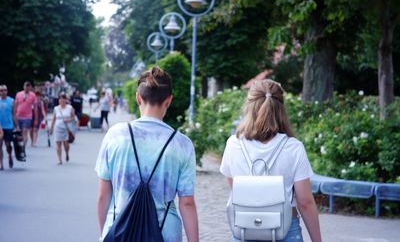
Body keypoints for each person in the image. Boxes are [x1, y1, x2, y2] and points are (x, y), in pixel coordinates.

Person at [95, 67, 199, 242]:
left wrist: (104, 234)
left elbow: (103, 196)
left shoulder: (116, 135)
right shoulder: (182, 144)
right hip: (165, 233)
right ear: (169, 101)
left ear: (138, 98)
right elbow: (186, 202)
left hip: (119, 229)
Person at [220, 79, 322, 242]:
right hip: (286, 229)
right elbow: (305, 202)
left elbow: (235, 186)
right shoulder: (293, 147)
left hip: (246, 229)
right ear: (281, 108)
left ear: (249, 106)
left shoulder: (233, 144)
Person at [49, 93, 75, 165]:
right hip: (57, 127)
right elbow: (54, 118)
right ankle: (59, 159)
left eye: (63, 99)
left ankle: (67, 153)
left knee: (66, 144)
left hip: (66, 128)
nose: (61, 100)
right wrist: (51, 128)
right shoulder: (56, 108)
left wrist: (68, 120)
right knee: (58, 143)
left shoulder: (70, 108)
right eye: (60, 99)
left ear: (65, 100)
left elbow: (73, 117)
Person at [14, 81, 38, 149]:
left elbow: (35, 107)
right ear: (23, 86)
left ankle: (23, 147)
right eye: (26, 86)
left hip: (28, 116)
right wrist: (14, 114)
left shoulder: (33, 95)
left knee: (25, 131)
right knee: (19, 133)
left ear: (30, 87)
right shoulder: (19, 94)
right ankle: (20, 145)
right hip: (18, 116)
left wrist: (36, 119)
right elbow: (15, 105)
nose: (27, 88)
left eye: (28, 86)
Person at [0, 85, 18, 170]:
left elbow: (14, 114)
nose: (3, 92)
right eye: (1, 90)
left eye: (5, 90)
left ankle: (10, 155)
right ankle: (1, 164)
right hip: (0, 127)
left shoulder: (11, 101)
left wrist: (17, 126)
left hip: (8, 126)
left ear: (7, 91)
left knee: (8, 145)